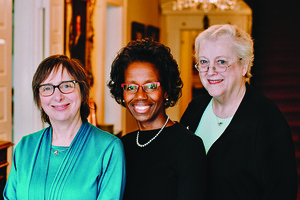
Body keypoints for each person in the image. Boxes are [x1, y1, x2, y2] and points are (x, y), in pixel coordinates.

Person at [180, 24, 298, 199]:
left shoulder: (267, 120)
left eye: (221, 62)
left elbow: (282, 192)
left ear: (244, 66)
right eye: (204, 61)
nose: (210, 71)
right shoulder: (196, 108)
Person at [4, 55, 126, 200]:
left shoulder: (109, 148)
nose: (58, 96)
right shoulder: (25, 146)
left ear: (82, 92)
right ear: (39, 99)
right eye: (47, 88)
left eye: (66, 85)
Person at [108, 38, 207, 200]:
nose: (140, 95)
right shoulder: (121, 145)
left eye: (151, 86)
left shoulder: (188, 147)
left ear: (166, 90)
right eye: (131, 87)